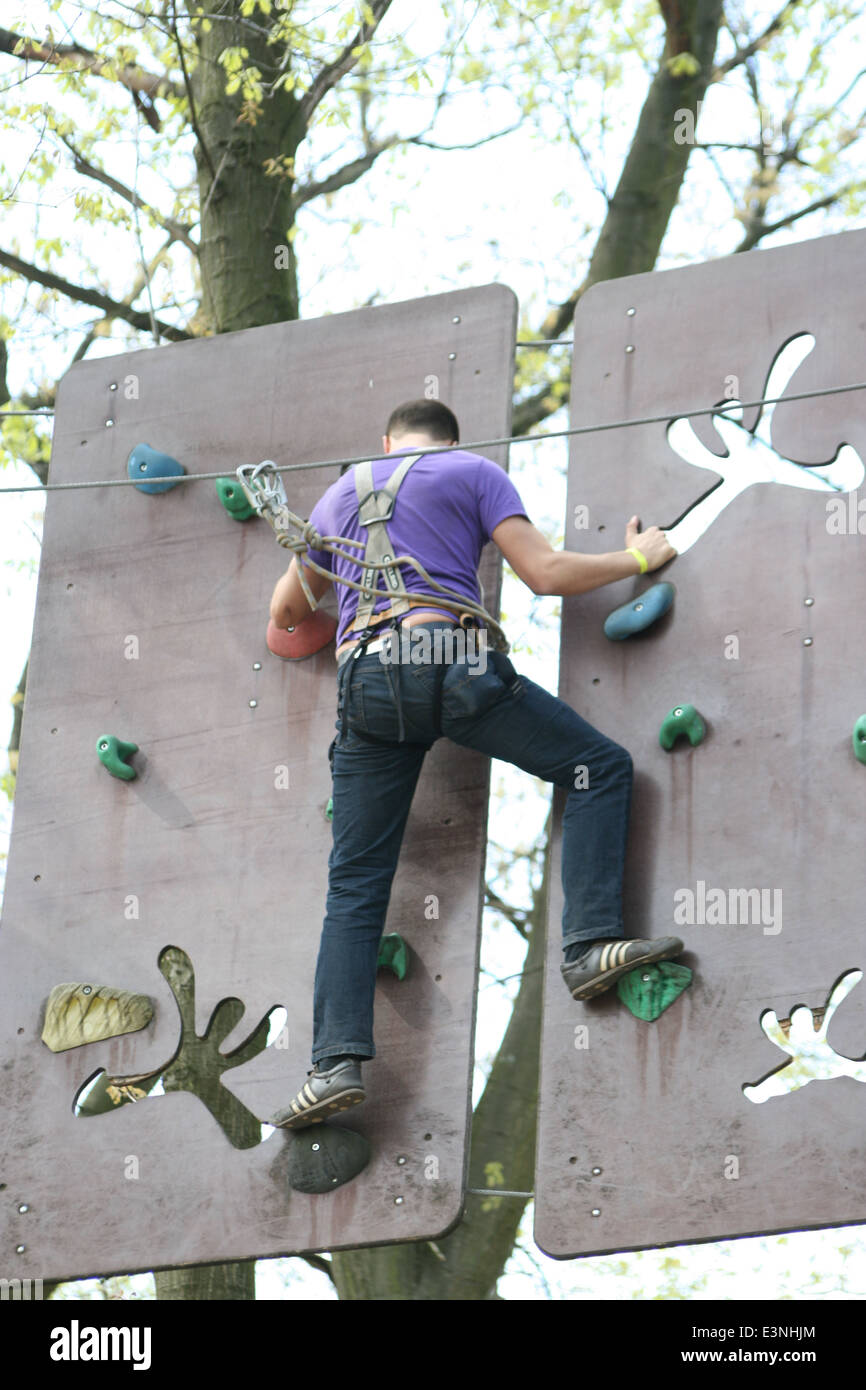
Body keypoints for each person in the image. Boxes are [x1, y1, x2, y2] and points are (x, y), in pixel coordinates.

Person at [267, 399, 682, 1129]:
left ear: (387, 440)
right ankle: (588, 947)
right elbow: (546, 574)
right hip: (449, 660)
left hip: (366, 684)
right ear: (450, 441)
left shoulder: (338, 496)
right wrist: (640, 558)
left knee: (356, 883)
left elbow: (287, 612)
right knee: (598, 767)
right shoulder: (473, 472)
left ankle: (332, 1065)